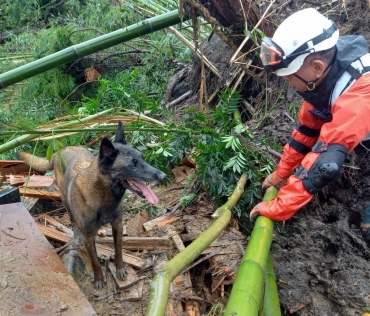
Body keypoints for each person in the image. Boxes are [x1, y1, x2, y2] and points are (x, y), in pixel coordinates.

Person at [249, 8, 370, 224]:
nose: (288, 83)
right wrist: (281, 174)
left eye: (288, 78)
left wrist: (280, 207)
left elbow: (325, 163)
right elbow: (304, 134)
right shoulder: (327, 78)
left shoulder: (358, 94)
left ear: (316, 67)